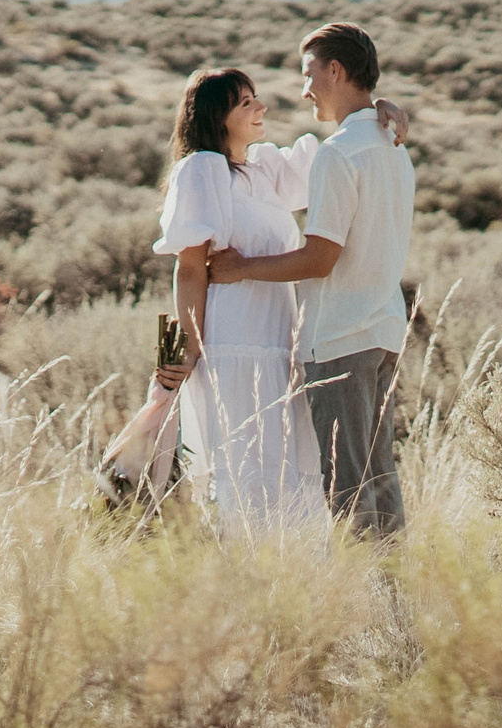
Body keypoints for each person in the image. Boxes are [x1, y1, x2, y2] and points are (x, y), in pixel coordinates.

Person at [151, 68, 409, 537]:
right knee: (248, 469)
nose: (260, 108)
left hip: (282, 342)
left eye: (256, 98)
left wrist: (377, 112)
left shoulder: (265, 168)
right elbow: (189, 269)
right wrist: (190, 346)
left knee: (294, 473)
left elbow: (339, 153)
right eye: (245, 102)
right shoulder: (202, 170)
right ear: (217, 115)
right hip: (235, 342)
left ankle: (297, 585)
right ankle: (247, 582)